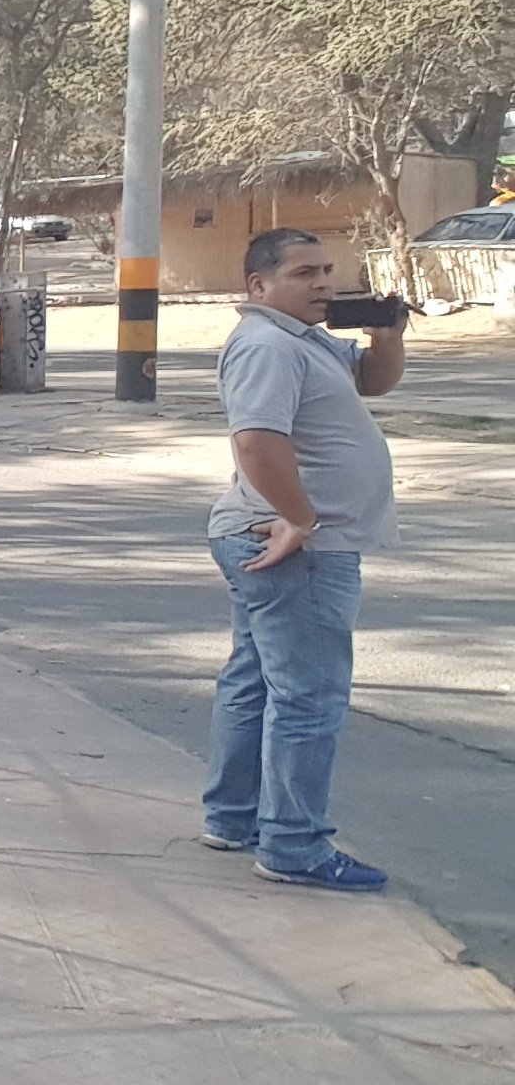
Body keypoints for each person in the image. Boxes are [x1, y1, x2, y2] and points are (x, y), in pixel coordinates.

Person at [201, 227, 406, 891]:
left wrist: (387, 336)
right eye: (304, 273)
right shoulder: (266, 345)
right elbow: (257, 442)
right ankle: (294, 847)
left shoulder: (303, 338)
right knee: (308, 699)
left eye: (327, 271)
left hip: (289, 540)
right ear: (258, 285)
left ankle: (234, 818)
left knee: (257, 680)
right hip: (299, 547)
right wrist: (300, 518)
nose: (323, 283)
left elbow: (373, 382)